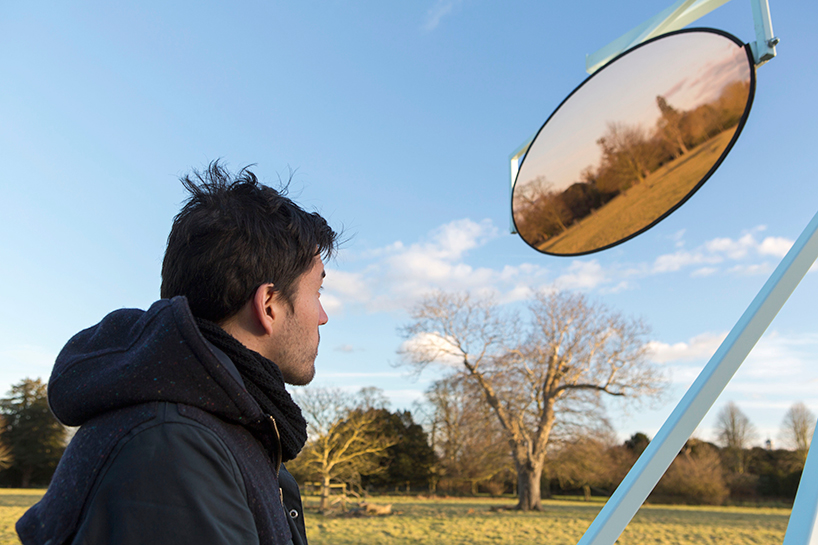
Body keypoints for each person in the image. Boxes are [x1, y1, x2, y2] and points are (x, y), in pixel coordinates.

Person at [16, 162, 338, 545]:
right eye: (316, 292)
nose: (323, 316)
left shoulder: (229, 430)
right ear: (268, 304)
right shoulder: (173, 450)